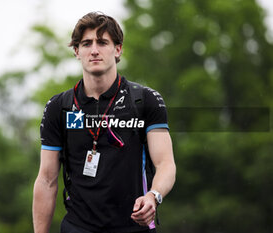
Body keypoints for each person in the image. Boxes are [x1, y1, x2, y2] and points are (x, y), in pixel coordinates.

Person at [32, 12, 176, 233]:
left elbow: (165, 164)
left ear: (117, 49)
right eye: (87, 43)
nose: (94, 50)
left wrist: (153, 196)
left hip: (133, 227)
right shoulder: (59, 107)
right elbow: (46, 180)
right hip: (78, 228)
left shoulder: (145, 100)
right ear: (76, 51)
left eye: (102, 42)